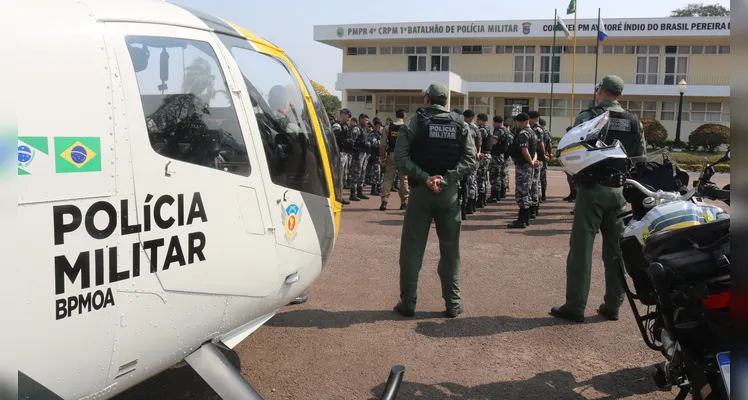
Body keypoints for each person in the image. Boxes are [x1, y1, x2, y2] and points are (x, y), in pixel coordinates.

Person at [550, 75, 647, 323]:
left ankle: (575, 306)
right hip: (618, 192)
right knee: (616, 252)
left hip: (592, 190)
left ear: (600, 91)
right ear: (621, 95)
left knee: (582, 249)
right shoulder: (634, 121)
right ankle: (613, 306)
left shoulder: (588, 116)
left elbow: (571, 151)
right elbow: (640, 159)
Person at [393, 83, 476, 318]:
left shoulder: (414, 122)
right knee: (451, 250)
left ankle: (408, 302)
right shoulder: (461, 124)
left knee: (412, 249)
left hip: (420, 192)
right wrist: (447, 180)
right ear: (446, 101)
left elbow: (400, 158)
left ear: (427, 99)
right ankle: (453, 303)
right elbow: (470, 159)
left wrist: (425, 177)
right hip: (448, 195)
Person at [506, 113, 538, 229]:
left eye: (518, 122)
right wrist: (533, 162)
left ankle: (522, 220)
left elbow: (524, 150)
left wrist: (530, 162)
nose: (517, 124)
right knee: (527, 191)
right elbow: (535, 151)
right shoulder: (532, 133)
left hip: (523, 166)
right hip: (528, 166)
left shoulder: (524, 133)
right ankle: (526, 218)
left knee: (522, 192)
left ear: (523, 121)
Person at [379, 109, 410, 211]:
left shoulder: (388, 127)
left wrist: (382, 157)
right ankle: (404, 202)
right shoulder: (407, 127)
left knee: (388, 178)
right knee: (403, 179)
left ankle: (384, 201)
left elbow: (383, 144)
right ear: (404, 116)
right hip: (403, 156)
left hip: (391, 154)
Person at [527, 111, 545, 219]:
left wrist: (541, 157)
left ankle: (533, 208)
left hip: (535, 159)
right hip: (537, 158)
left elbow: (540, 144)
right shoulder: (540, 129)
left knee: (534, 183)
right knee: (536, 183)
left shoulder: (536, 129)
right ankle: (535, 206)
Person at [462, 109, 480, 214]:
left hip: (466, 158)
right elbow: (479, 143)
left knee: (465, 183)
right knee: (473, 182)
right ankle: (471, 205)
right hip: (474, 158)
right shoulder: (476, 128)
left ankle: (466, 205)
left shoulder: (463, 127)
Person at [349, 114, 370, 201]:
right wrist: (355, 151)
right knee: (356, 173)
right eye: (366, 120)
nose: (367, 122)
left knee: (362, 172)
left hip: (364, 154)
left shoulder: (364, 129)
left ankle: (360, 191)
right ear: (361, 119)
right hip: (358, 154)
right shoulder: (356, 129)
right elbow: (351, 142)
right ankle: (353, 193)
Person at [487, 115, 509, 203]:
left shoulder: (499, 131)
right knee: (499, 175)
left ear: (496, 122)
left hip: (496, 155)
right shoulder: (505, 130)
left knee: (494, 175)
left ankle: (494, 196)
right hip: (501, 155)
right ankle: (500, 194)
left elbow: (494, 142)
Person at [475, 113, 492, 209]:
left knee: (480, 178)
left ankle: (480, 200)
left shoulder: (482, 129)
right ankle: (483, 198)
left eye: (478, 120)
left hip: (483, 155)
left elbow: (477, 141)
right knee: (484, 177)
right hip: (487, 155)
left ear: (481, 120)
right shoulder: (488, 128)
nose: (477, 121)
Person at [367, 118, 384, 196]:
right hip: (374, 155)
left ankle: (378, 188)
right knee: (376, 173)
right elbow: (373, 143)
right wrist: (381, 142)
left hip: (380, 156)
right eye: (377, 125)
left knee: (380, 173)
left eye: (379, 126)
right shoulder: (372, 134)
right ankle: (373, 189)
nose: (378, 127)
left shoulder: (379, 134)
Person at [539, 117, 552, 201]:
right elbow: (550, 144)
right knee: (543, 176)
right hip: (545, 156)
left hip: (541, 156)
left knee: (537, 177)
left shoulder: (540, 132)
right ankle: (543, 194)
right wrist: (549, 153)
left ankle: (539, 194)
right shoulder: (548, 132)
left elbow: (541, 144)